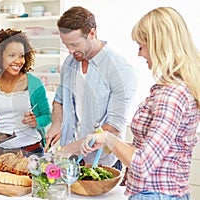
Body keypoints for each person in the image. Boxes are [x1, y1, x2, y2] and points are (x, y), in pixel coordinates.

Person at [81, 7, 200, 200]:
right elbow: (154, 151)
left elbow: (143, 163)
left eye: (141, 46)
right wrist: (108, 143)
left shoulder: (172, 95)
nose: (139, 54)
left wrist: (109, 139)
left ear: (158, 45)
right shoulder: (174, 89)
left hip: (156, 195)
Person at [45, 6, 137, 170]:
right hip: (69, 160)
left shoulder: (120, 70)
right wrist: (56, 125)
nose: (70, 50)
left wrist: (67, 150)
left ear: (92, 33)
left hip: (100, 162)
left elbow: (114, 128)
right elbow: (59, 102)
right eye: (66, 44)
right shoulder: (69, 63)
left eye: (74, 44)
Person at [0, 28, 51, 157]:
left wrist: (36, 122)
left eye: (22, 55)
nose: (18, 61)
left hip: (31, 152)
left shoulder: (35, 83)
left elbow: (47, 115)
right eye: (11, 55)